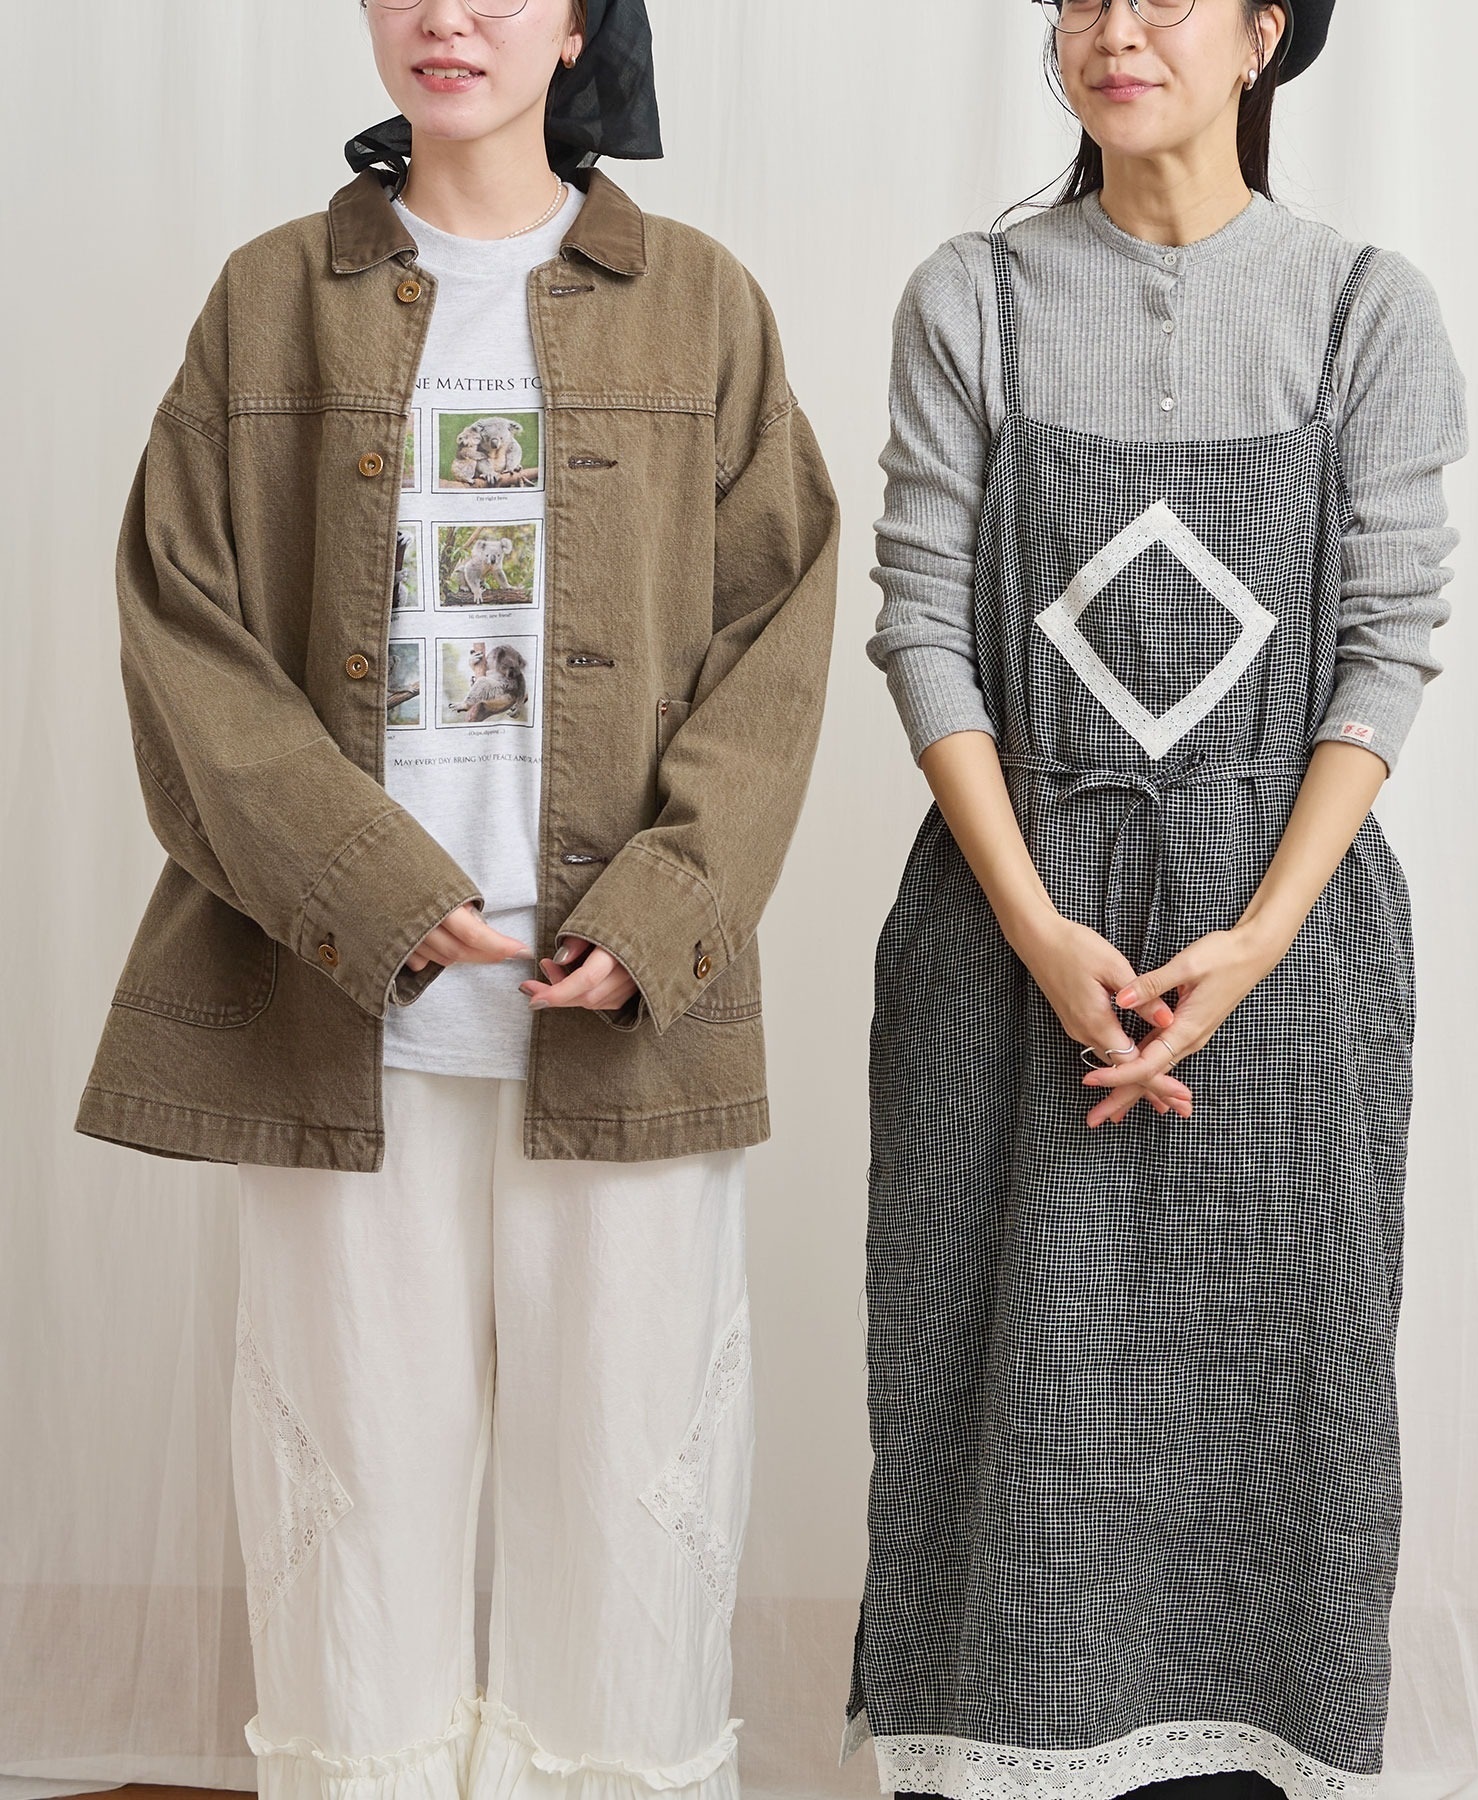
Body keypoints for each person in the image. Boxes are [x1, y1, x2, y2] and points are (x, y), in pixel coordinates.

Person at [73, 4, 839, 1799]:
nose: (447, 16)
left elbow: (781, 637)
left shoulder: (700, 304)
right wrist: (376, 895)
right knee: (349, 1530)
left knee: (633, 1528)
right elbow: (180, 628)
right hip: (344, 1019)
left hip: (623, 1030)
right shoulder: (271, 301)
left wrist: (660, 910)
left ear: (579, 24)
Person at [844, 3, 1466, 1799]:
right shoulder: (975, 298)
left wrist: (1259, 938)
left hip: (1291, 957)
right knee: (999, 1403)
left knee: (1281, 1411)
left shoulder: (1362, 311)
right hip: (1006, 945)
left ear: (1266, 33)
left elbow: (1388, 645)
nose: (1118, 31)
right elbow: (922, 628)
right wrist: (1037, 927)